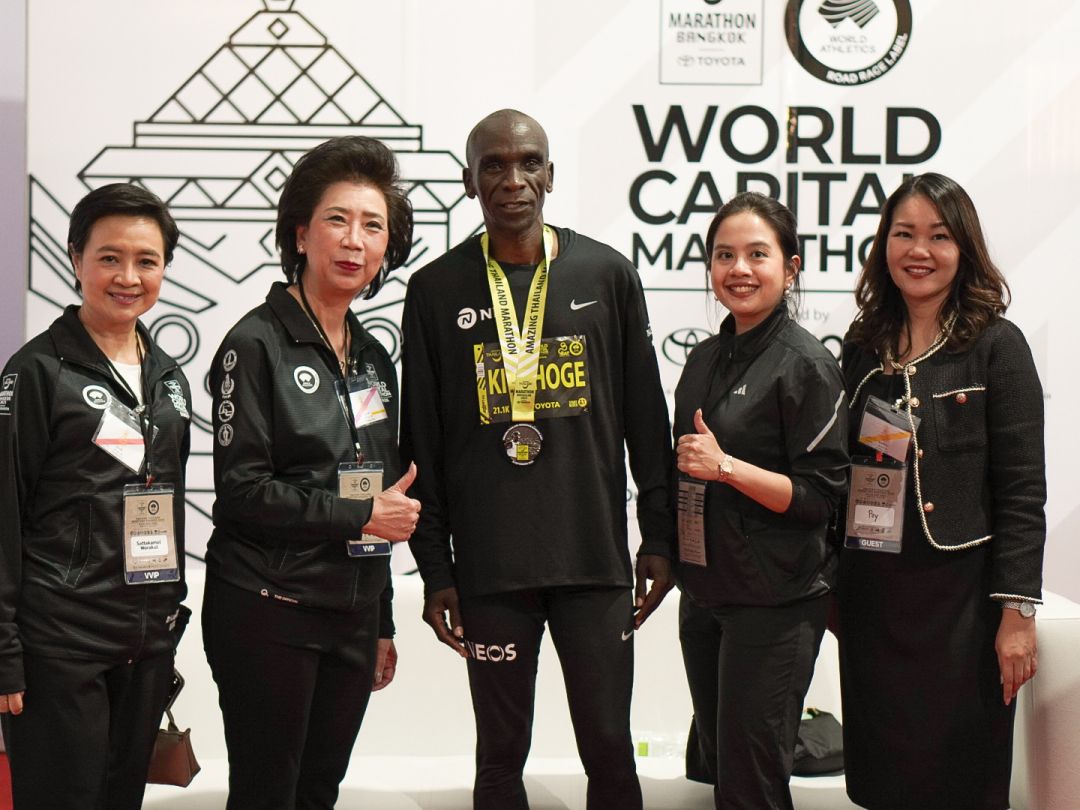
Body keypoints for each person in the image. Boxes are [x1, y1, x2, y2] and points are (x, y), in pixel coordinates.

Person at [400, 109, 675, 810]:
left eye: (528, 163)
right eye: (493, 165)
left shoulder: (607, 274)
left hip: (594, 565)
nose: (513, 179)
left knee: (610, 749)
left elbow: (648, 425)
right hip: (491, 572)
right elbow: (422, 446)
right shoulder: (435, 291)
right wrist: (436, 570)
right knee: (499, 758)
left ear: (550, 175)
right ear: (469, 181)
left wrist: (660, 537)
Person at [203, 136, 421, 810]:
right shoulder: (254, 343)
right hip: (268, 608)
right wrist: (362, 515)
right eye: (337, 220)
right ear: (300, 234)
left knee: (319, 792)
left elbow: (376, 488)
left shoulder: (373, 357)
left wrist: (381, 620)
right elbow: (243, 493)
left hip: (350, 615)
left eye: (373, 225)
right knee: (268, 794)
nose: (355, 240)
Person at [837, 173, 1045, 810]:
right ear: (884, 246)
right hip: (874, 597)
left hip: (964, 602)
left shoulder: (996, 345)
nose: (919, 251)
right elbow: (850, 472)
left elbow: (1022, 491)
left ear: (964, 248)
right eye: (904, 234)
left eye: (938, 236)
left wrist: (1017, 614)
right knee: (883, 778)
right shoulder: (863, 346)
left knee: (962, 778)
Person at [0, 183, 191, 809]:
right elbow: (4, 513)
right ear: (76, 258)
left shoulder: (169, 378)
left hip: (144, 642)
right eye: (110, 258)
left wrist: (167, 621)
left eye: (146, 261)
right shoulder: (37, 371)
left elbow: (165, 503)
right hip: (60, 643)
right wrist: (4, 650)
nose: (128, 277)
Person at [672, 191, 849, 810]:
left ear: (790, 268)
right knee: (724, 771)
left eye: (757, 254)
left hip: (777, 602)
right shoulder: (702, 359)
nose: (738, 269)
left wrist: (727, 468)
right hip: (705, 596)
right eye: (724, 255)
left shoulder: (807, 365)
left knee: (752, 787)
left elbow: (821, 500)